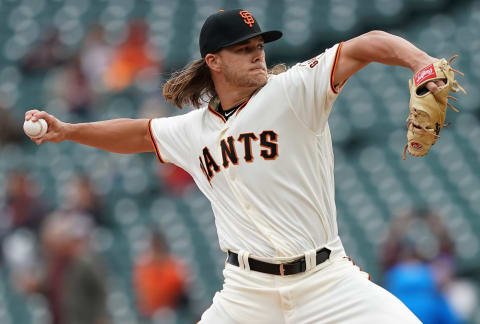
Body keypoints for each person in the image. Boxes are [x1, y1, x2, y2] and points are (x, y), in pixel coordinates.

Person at [24, 8, 449, 323]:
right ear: (214, 61)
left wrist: (419, 62)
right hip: (248, 293)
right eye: (243, 49)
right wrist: (68, 130)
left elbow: (366, 44)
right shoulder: (192, 131)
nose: (257, 55)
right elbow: (138, 132)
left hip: (325, 280)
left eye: (259, 46)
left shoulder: (294, 91)